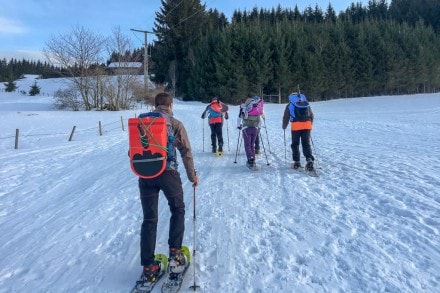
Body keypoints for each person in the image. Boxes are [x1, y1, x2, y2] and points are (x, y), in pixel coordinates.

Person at [137, 92, 199, 283]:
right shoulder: (175, 123)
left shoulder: (141, 123)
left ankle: (149, 267)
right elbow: (186, 152)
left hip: (145, 175)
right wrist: (192, 176)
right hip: (168, 173)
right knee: (178, 209)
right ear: (170, 105)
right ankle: (175, 257)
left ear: (155, 105)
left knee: (149, 219)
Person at [282, 92, 315, 171]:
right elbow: (312, 115)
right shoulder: (306, 103)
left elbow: (286, 117)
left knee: (295, 144)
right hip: (307, 125)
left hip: (296, 126)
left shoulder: (290, 105)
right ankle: (309, 159)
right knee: (306, 144)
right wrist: (310, 125)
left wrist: (284, 126)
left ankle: (297, 162)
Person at [237, 95, 264, 169]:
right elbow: (259, 121)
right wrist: (259, 128)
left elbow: (239, 118)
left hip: (246, 128)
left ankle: (250, 159)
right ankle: (253, 161)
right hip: (255, 129)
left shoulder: (244, 107)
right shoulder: (256, 108)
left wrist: (238, 125)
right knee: (252, 145)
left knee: (247, 145)